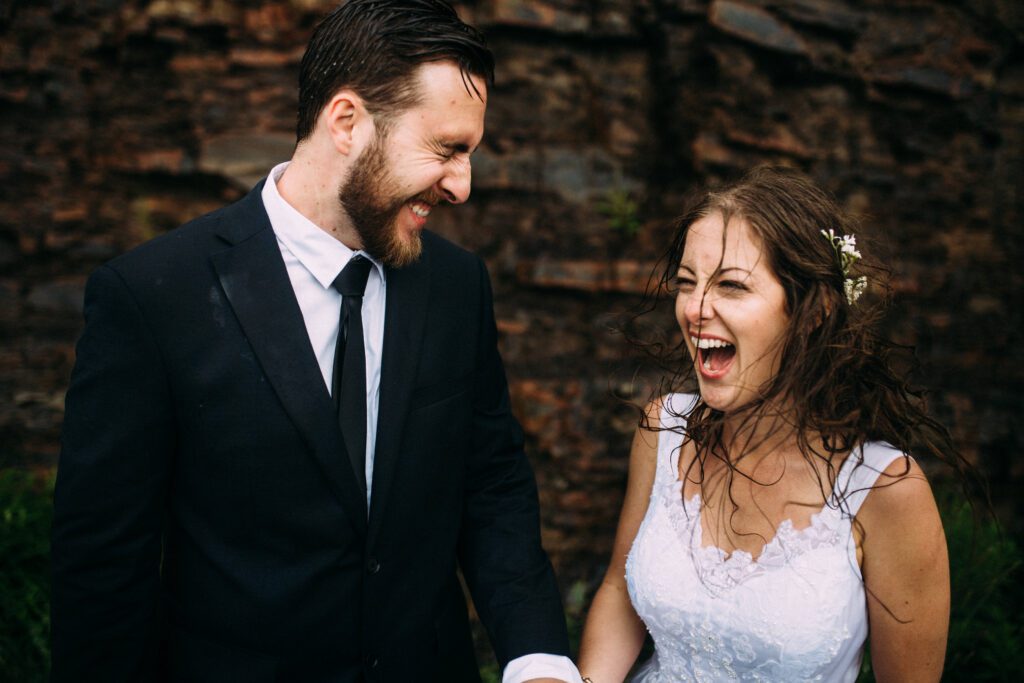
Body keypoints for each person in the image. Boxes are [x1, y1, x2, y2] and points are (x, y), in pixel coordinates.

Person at [51, 2, 581, 681]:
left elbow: (492, 482)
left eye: (470, 154)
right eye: (446, 148)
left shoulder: (457, 286)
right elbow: (103, 566)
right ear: (347, 122)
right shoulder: (154, 294)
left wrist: (537, 656)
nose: (462, 184)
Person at [577, 166, 962, 682]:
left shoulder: (885, 490)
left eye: (732, 286)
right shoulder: (663, 430)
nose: (694, 309)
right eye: (687, 283)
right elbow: (619, 592)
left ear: (816, 309)